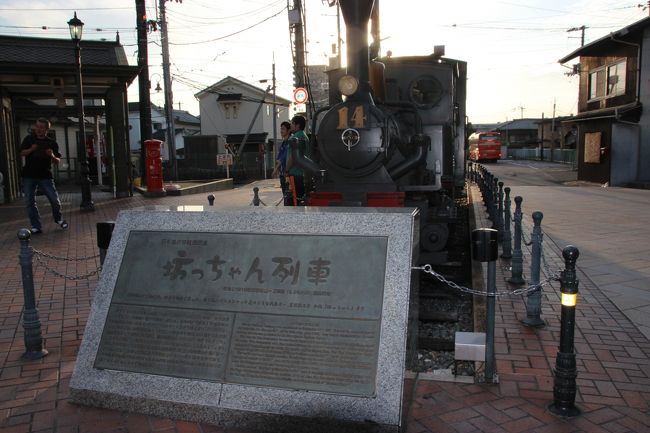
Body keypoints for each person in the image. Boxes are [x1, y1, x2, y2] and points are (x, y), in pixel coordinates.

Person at [20, 118, 68, 234]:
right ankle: (36, 226)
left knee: (54, 200)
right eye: (37, 126)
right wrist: (32, 149)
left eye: (41, 127)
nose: (38, 129)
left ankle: (58, 219)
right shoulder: (29, 139)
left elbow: (57, 161)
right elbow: (21, 153)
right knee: (29, 201)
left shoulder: (51, 142)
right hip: (29, 175)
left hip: (45, 176)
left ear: (46, 129)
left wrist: (51, 155)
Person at [285, 115, 308, 205]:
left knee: (294, 201)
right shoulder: (304, 136)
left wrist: (286, 170)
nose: (290, 125)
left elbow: (292, 157)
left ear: (297, 125)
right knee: (300, 200)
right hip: (303, 173)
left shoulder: (295, 138)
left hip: (295, 173)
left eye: (292, 123)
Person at [272, 121, 291, 203]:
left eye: (283, 129)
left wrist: (275, 169)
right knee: (285, 195)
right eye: (281, 129)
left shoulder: (290, 141)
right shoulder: (284, 143)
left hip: (288, 173)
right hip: (282, 173)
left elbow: (283, 158)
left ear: (288, 130)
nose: (281, 131)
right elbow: (279, 158)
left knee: (288, 196)